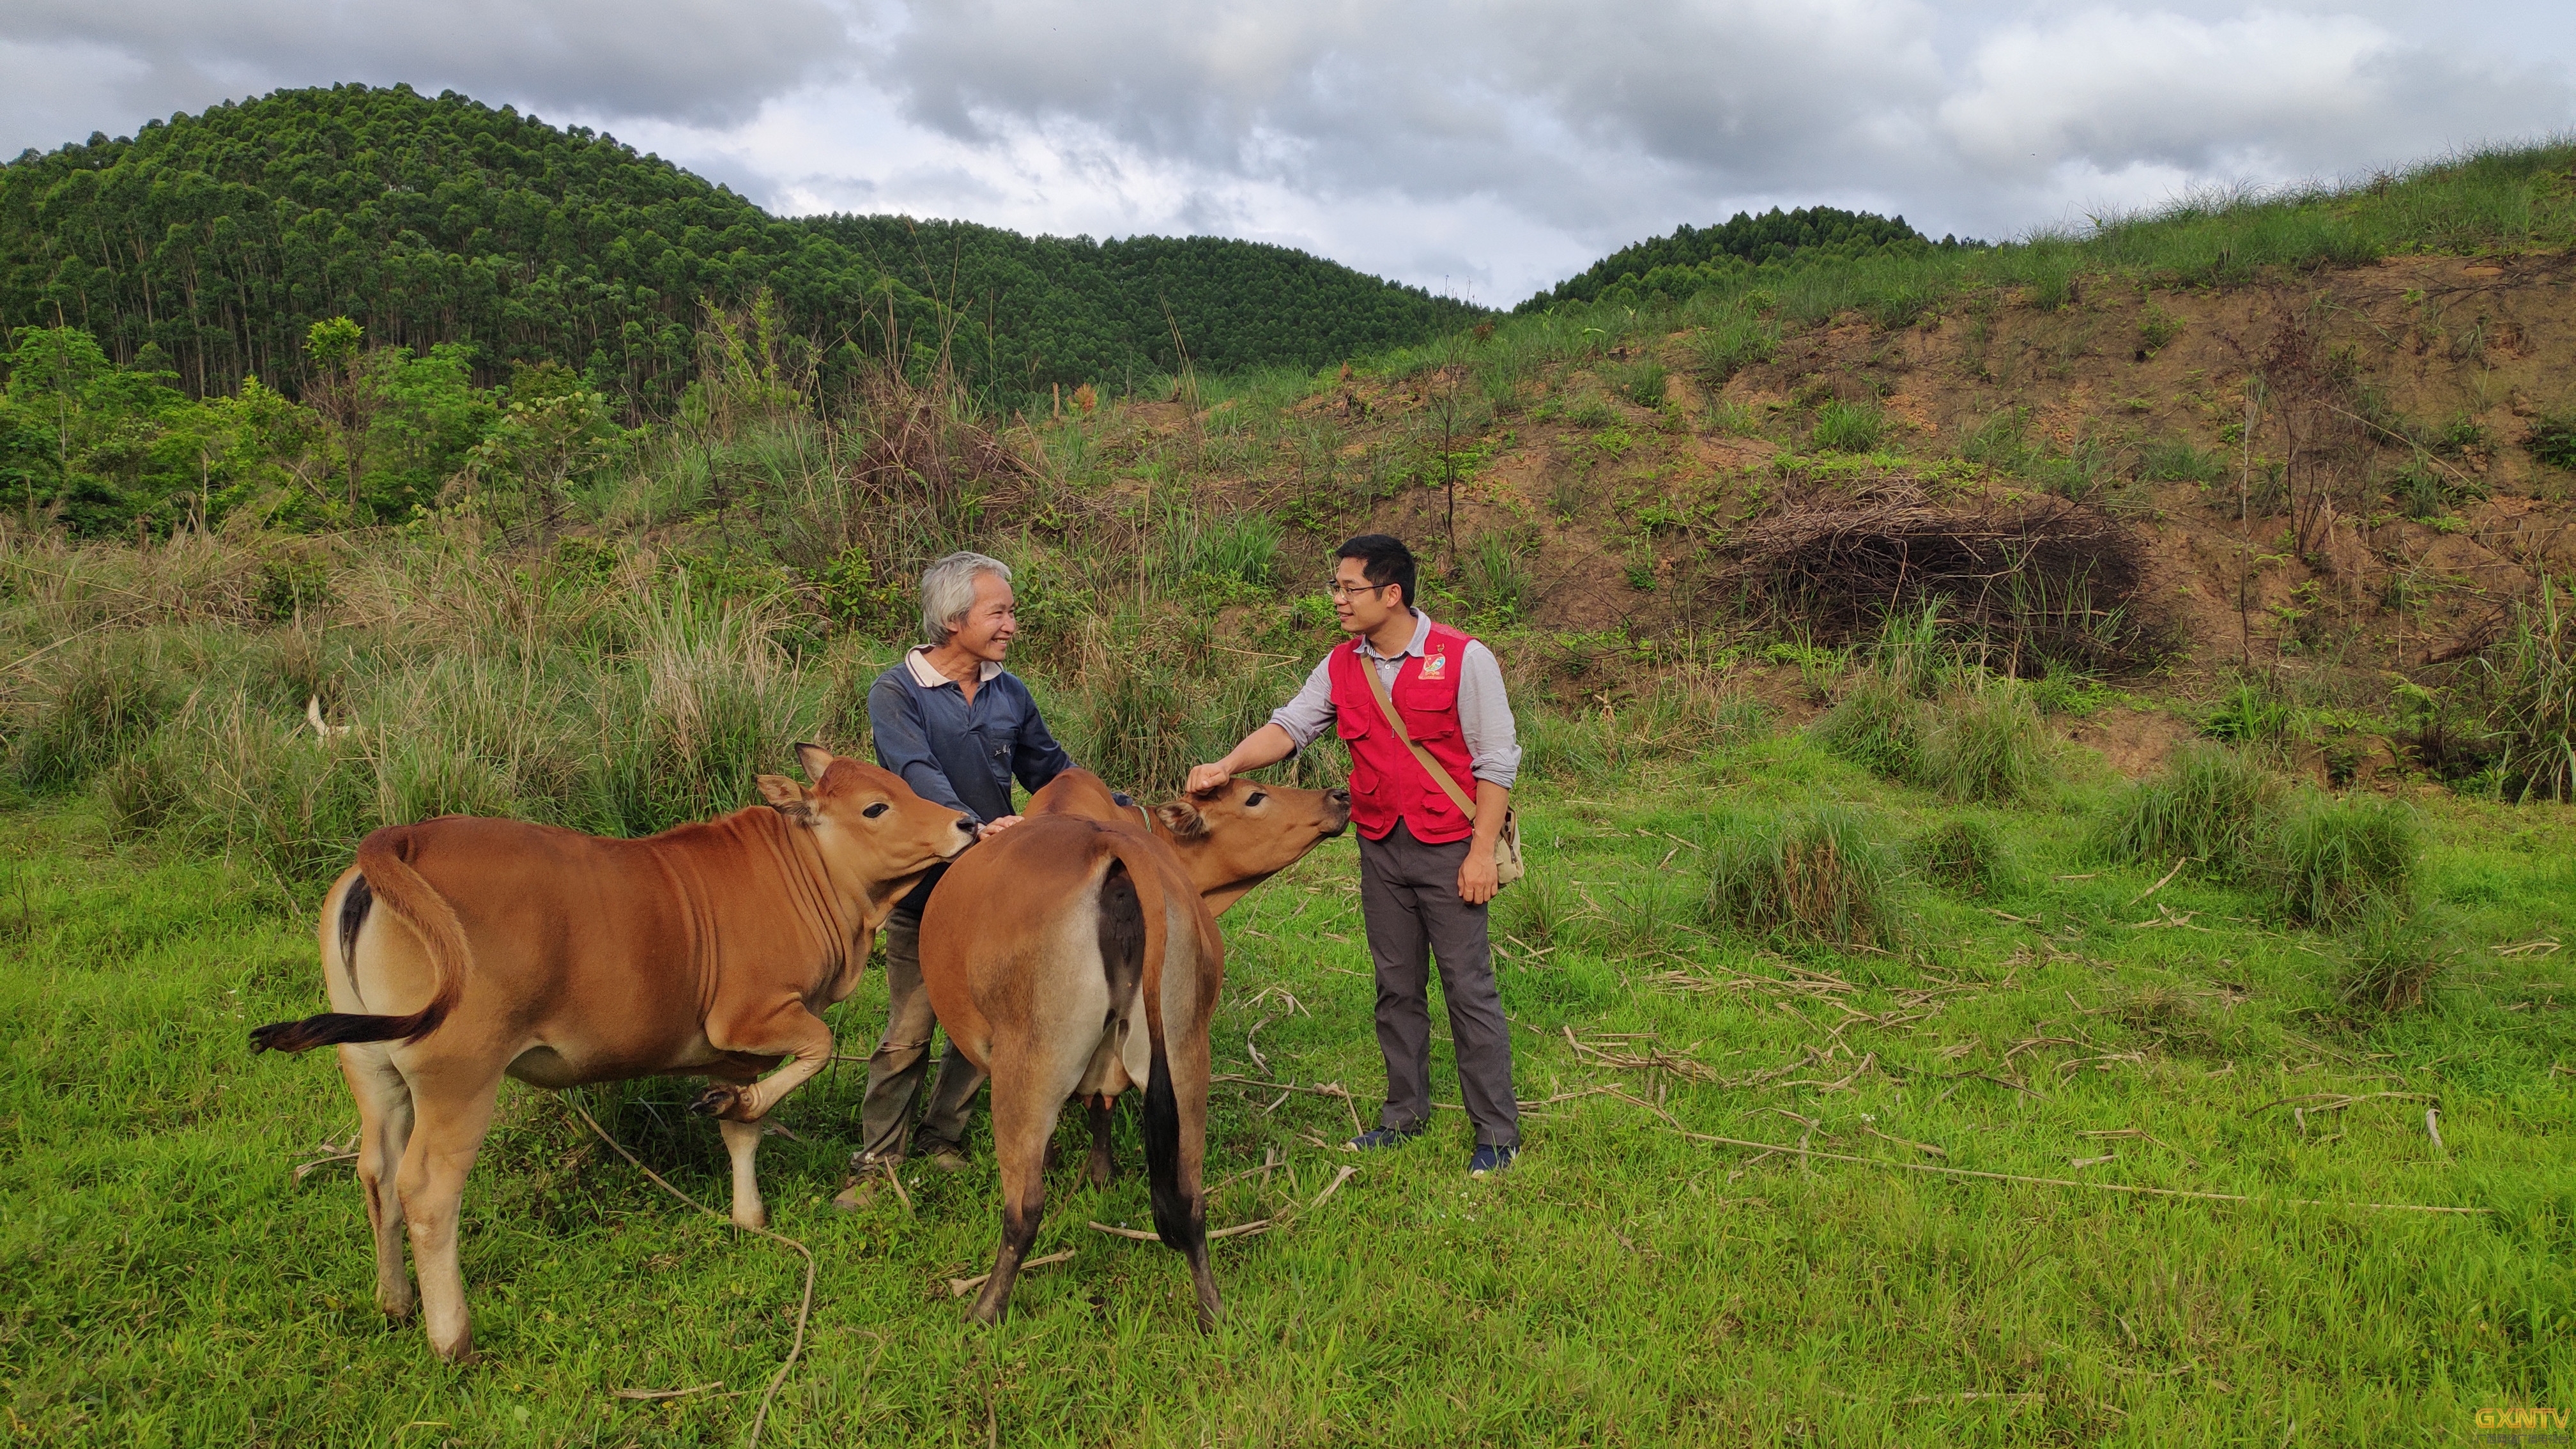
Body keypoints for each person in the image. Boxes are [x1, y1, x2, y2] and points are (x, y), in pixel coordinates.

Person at [1188, 534, 1523, 1177]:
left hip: (1450, 847)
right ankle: (1403, 1116)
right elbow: (1290, 727)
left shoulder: (1463, 658)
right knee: (1395, 988)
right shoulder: (1342, 665)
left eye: (1350, 589)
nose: (1338, 600)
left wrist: (1481, 853)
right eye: (1335, 588)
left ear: (1390, 594)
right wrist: (1228, 763)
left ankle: (1496, 1135)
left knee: (1467, 989)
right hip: (1381, 846)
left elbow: (1496, 762)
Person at [840, 551, 1078, 1204]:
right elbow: (915, 773)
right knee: (908, 1031)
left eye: (1011, 610)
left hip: (1002, 892)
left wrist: (1103, 812)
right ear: (953, 620)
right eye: (998, 611)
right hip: (926, 892)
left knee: (989, 1024)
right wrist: (975, 826)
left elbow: (1051, 769)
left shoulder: (1010, 691)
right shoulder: (897, 692)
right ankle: (877, 1163)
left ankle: (944, 1138)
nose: (1012, 624)